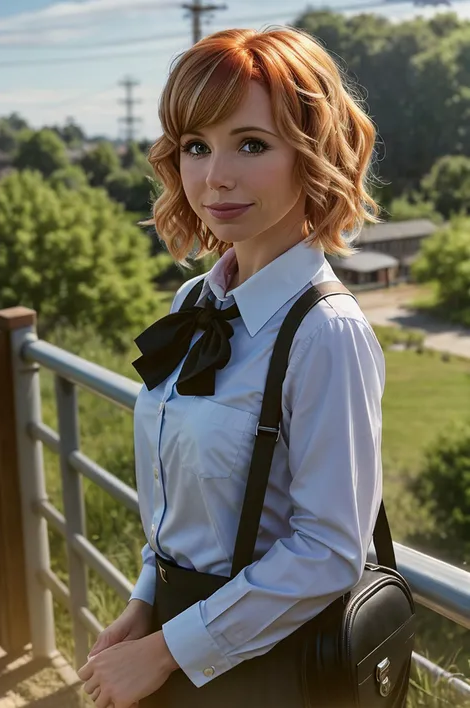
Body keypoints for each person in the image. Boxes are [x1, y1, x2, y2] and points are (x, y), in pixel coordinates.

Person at [78, 25, 386, 708]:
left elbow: (331, 550)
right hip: (175, 642)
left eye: (251, 143)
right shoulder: (194, 300)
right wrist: (145, 602)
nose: (215, 177)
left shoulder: (326, 334)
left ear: (313, 152)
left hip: (262, 665)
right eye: (196, 146)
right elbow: (181, 494)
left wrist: (165, 650)